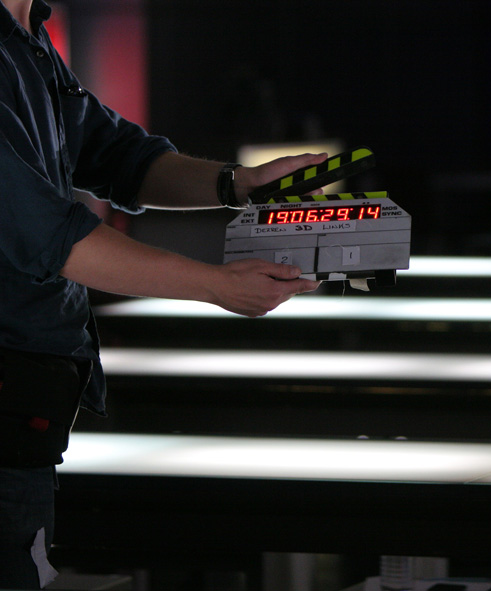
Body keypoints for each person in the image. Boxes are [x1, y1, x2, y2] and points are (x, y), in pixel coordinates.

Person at [0, 1, 324, 587]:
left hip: (29, 408)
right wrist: (217, 286)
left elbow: (119, 156)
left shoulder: (29, 35)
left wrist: (240, 184)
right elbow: (44, 233)